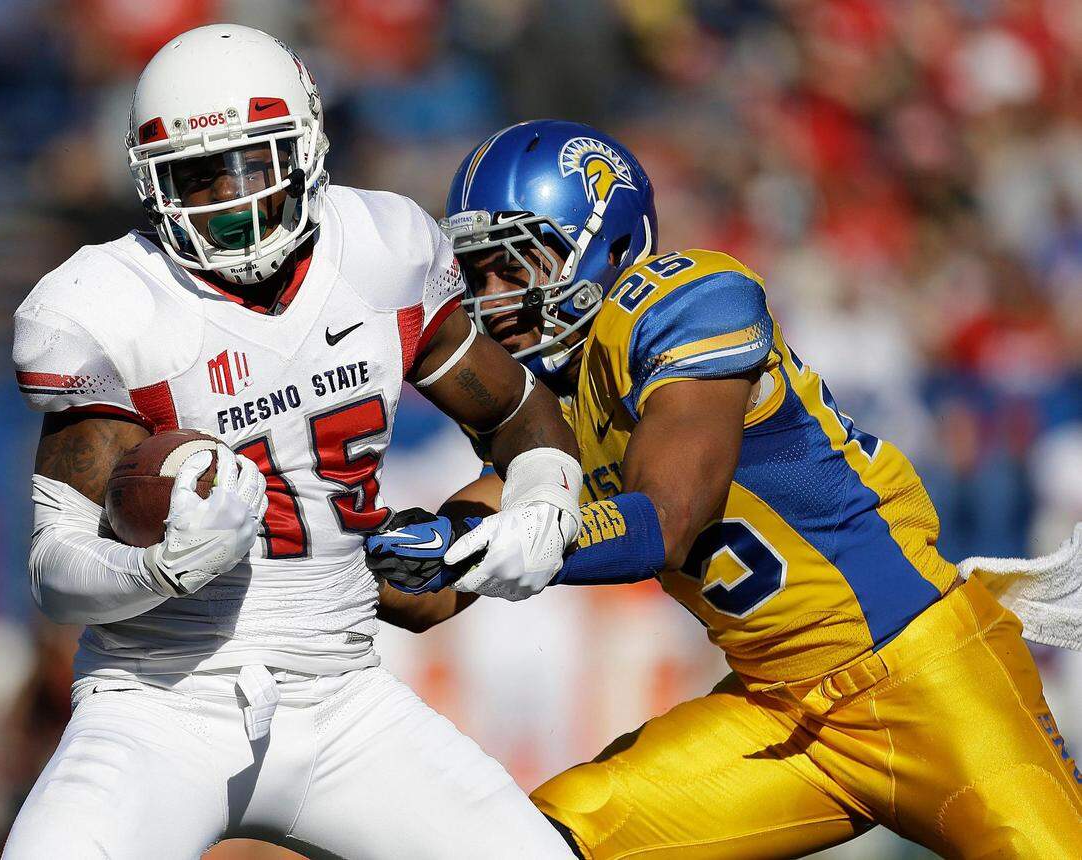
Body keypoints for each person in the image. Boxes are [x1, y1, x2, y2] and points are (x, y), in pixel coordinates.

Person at [367, 119, 1082, 857]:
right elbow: (429, 590)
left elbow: (669, 516)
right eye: (477, 275)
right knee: (536, 841)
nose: (492, 301)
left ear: (603, 247)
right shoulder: (543, 404)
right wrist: (328, 546)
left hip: (925, 673)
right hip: (779, 717)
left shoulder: (686, 300)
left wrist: (481, 543)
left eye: (514, 268)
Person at [5, 28, 581, 859]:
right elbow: (54, 570)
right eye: (196, 177)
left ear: (308, 145)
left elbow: (519, 412)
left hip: (346, 695)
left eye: (250, 164)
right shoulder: (107, 306)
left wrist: (542, 503)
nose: (230, 205)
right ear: (150, 183)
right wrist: (156, 568)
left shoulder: (384, 251)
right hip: (157, 705)